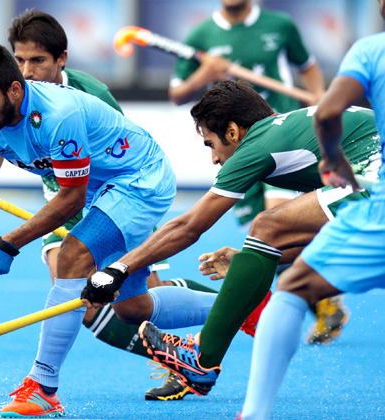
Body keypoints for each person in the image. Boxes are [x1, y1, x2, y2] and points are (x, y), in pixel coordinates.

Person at [0, 40, 222, 418]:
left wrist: (8, 243)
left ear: (15, 89)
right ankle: (241, 306)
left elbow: (69, 200)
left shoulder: (58, 115)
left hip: (139, 179)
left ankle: (42, 388)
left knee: (72, 257)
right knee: (132, 308)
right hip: (101, 193)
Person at [0, 8, 217, 402]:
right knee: (106, 301)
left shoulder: (86, 96)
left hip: (117, 190)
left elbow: (123, 159)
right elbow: (3, 134)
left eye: (37, 60)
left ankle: (42, 387)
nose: (26, 70)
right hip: (64, 198)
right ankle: (206, 335)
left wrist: (9, 242)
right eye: (19, 60)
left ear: (61, 59)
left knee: (118, 290)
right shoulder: (7, 98)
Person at [83, 79, 381, 396]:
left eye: (211, 144)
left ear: (233, 132)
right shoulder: (295, 138)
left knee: (266, 225)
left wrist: (119, 269)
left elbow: (189, 227)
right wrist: (257, 257)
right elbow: (323, 233)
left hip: (376, 182)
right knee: (269, 233)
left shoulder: (259, 143)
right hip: (370, 182)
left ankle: (202, 358)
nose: (213, 159)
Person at [168, 0, 349, 348]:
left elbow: (307, 67)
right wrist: (206, 73)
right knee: (268, 235)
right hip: (236, 147)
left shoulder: (280, 25)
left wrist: (319, 102)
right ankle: (313, 296)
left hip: (283, 148)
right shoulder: (201, 34)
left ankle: (303, 302)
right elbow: (178, 93)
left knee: (275, 225)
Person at [238, 3, 385, 417]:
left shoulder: (371, 50)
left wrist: (334, 158)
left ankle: (254, 414)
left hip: (380, 211)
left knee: (292, 289)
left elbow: (329, 111)